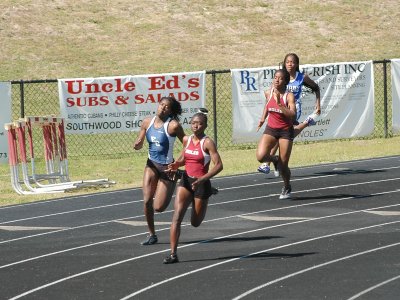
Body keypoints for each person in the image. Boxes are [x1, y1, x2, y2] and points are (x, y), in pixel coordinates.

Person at [163, 109, 223, 264]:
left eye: (200, 123)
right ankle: (173, 254)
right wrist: (176, 164)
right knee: (176, 216)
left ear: (205, 126)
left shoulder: (207, 142)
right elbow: (184, 157)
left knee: (195, 223)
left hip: (201, 183)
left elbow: (219, 165)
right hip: (186, 181)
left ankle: (209, 192)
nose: (196, 126)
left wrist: (203, 180)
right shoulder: (187, 140)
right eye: (194, 123)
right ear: (190, 124)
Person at [258, 53, 321, 176]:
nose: (290, 64)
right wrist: (262, 117)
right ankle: (307, 122)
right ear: (284, 63)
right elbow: (269, 98)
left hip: (293, 108)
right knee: (287, 133)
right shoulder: (278, 78)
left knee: (281, 132)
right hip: (278, 108)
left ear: (297, 64)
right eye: (287, 62)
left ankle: (267, 163)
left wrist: (318, 104)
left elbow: (316, 87)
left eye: (292, 62)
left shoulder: (301, 77)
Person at [133, 96, 185, 245]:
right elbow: (140, 141)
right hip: (151, 165)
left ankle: (179, 175)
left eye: (167, 107)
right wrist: (137, 144)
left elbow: (187, 144)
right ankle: (151, 234)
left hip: (167, 169)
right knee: (147, 200)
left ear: (171, 111)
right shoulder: (147, 122)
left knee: (159, 207)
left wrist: (178, 163)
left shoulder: (173, 126)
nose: (163, 108)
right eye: (161, 104)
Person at [256, 69, 296, 199]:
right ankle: (275, 159)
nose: (276, 80)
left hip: (285, 131)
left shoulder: (288, 96)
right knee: (261, 156)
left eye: (280, 78)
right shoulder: (269, 92)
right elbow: (267, 106)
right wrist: (263, 118)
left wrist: (280, 104)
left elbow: (292, 114)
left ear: (285, 81)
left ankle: (287, 186)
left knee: (284, 166)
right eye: (275, 77)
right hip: (271, 129)